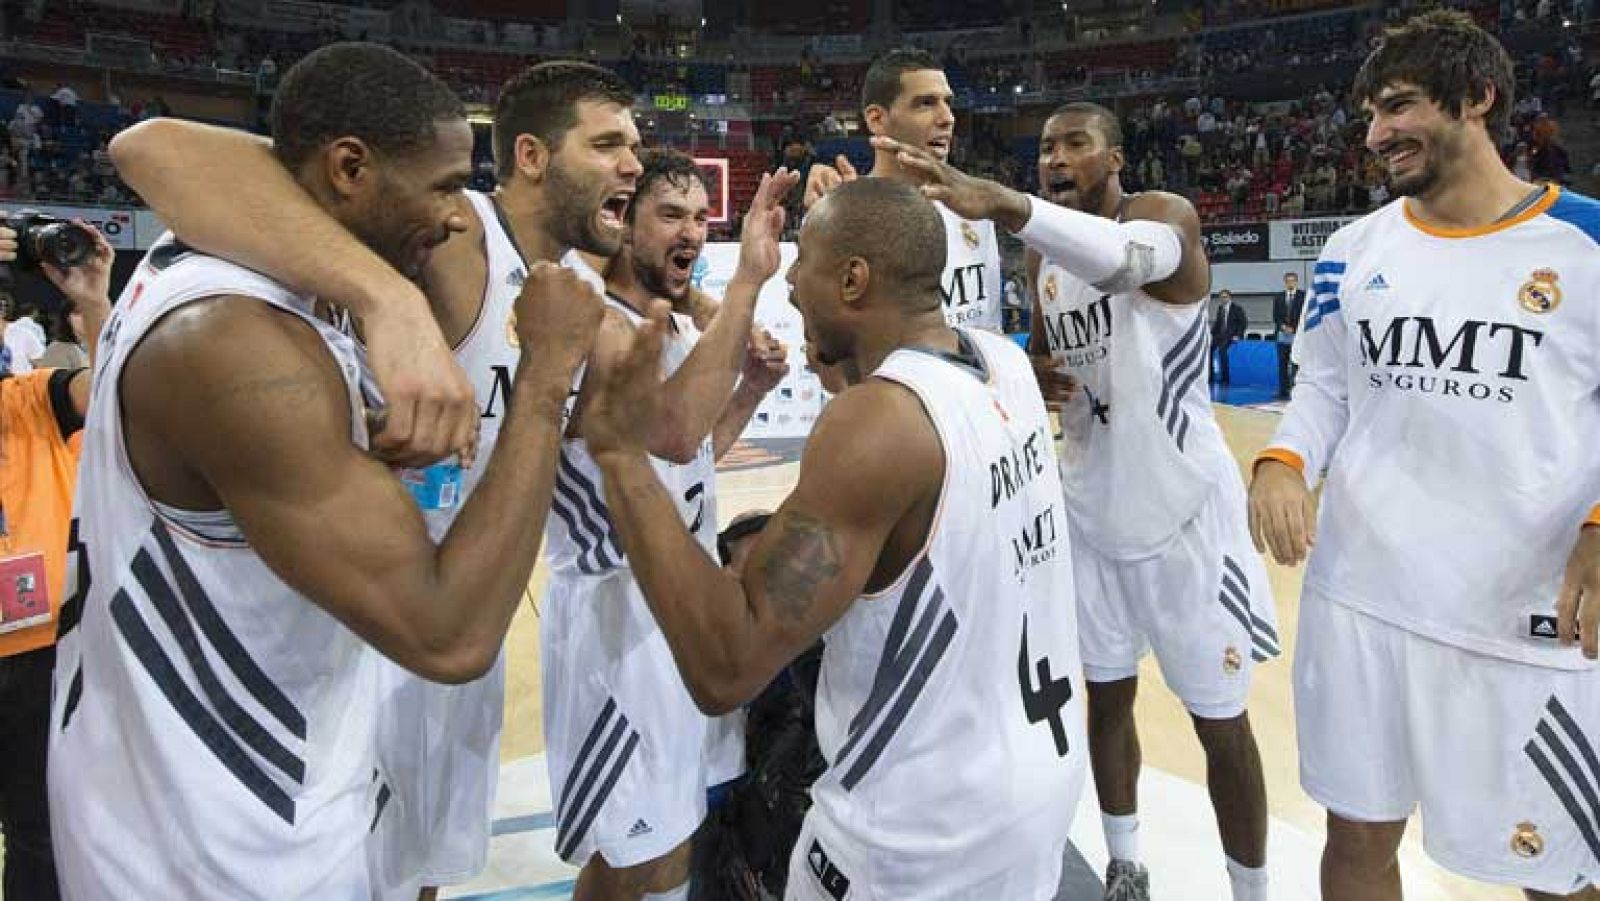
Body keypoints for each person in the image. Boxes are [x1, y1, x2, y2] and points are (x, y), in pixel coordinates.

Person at [46, 44, 606, 898]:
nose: (459, 216)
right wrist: (543, 378)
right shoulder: (229, 335)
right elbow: (447, 634)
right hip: (222, 847)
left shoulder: (228, 268)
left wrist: (356, 421)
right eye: (445, 184)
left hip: (220, 797)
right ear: (350, 168)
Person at [580, 176, 1087, 900]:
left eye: (804, 261)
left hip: (916, 837)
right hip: (1032, 792)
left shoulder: (878, 423)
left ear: (853, 278)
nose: (789, 283)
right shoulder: (1000, 362)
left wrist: (620, 453)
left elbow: (727, 665)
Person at [875, 98, 1277, 901]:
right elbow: (1048, 353)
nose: (1056, 158)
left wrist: (1012, 206)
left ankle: (1252, 889)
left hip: (1186, 517)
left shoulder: (1167, 216)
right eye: (1047, 149)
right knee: (1106, 696)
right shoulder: (1041, 261)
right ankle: (1126, 861)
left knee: (1219, 720)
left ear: (1116, 154)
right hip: (1088, 509)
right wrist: (1040, 371)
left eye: (1076, 144)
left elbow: (1130, 262)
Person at [1248, 11, 1600, 901]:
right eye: (1369, 115)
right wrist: (1283, 461)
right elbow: (1324, 389)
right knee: (1357, 833)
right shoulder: (1351, 250)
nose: (1376, 135)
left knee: (1558, 863)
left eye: (1398, 106)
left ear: (1478, 98)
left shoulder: (1588, 243)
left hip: (1523, 618)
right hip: (1363, 599)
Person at [543, 152, 795, 901]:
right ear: (622, 224)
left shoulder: (674, 325)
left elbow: (692, 459)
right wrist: (749, 279)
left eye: (700, 218)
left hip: (674, 605)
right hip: (615, 621)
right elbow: (678, 432)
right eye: (671, 214)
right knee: (631, 857)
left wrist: (748, 386)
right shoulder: (596, 321)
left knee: (671, 842)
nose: (692, 231)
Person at [0, 218, 111, 901]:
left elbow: (118, 384)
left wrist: (95, 302)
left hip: (37, 656)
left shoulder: (29, 400)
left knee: (40, 836)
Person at [802, 48, 1004, 333]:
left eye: (948, 103)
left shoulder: (976, 208)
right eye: (925, 104)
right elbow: (825, 341)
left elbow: (991, 328)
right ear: (876, 119)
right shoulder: (838, 216)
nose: (947, 118)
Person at [1273, 271, 1306, 398]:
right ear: (1285, 282)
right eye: (1288, 281)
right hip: (1282, 334)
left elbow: (1304, 315)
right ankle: (1283, 390)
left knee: (1296, 363)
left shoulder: (1303, 296)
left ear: (1296, 282)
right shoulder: (1279, 297)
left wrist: (1294, 328)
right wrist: (1283, 326)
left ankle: (1297, 390)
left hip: (1297, 334)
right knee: (1282, 363)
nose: (1290, 283)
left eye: (1292, 280)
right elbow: (1275, 316)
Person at [1211, 289, 1247, 385]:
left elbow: (1243, 323)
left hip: (1230, 336)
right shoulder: (1220, 308)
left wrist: (1238, 335)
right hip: (1219, 335)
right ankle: (1210, 376)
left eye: (1225, 297)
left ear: (1230, 297)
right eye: (1221, 297)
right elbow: (1218, 324)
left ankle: (1225, 378)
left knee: (1222, 351)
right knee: (1209, 349)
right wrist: (1210, 334)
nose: (1223, 299)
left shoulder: (1237, 308)